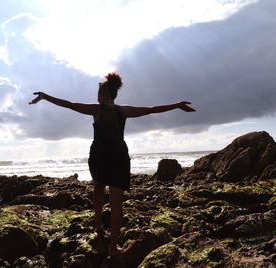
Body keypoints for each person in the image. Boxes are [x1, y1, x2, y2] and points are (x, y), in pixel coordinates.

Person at [29, 72, 195, 256]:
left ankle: (98, 223)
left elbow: (70, 105)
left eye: (98, 92)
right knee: (117, 204)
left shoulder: (97, 109)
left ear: (104, 94)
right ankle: (112, 247)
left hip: (100, 156)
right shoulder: (124, 110)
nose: (96, 96)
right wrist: (178, 106)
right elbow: (151, 109)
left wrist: (45, 97)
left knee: (99, 187)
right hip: (118, 156)